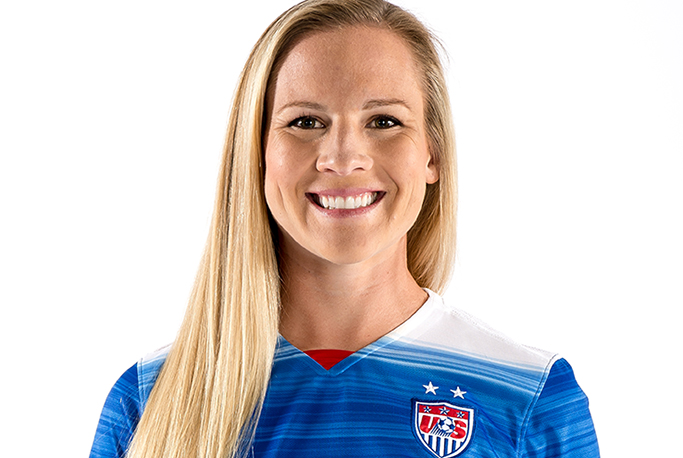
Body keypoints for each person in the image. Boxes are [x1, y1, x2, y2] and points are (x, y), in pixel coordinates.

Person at [90, 1, 600, 457]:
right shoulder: (149, 400)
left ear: (433, 154)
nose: (343, 157)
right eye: (306, 122)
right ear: (257, 154)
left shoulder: (528, 396)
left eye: (384, 122)